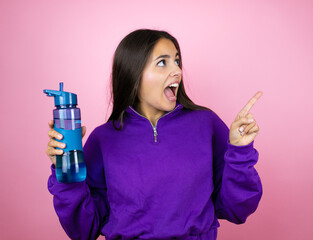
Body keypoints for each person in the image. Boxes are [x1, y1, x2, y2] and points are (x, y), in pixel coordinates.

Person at [46, 29, 263, 240]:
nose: (177, 71)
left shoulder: (206, 123)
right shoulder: (104, 138)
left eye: (177, 61)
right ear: (134, 74)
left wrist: (239, 151)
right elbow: (84, 230)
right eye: (162, 62)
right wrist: (65, 174)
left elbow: (237, 209)